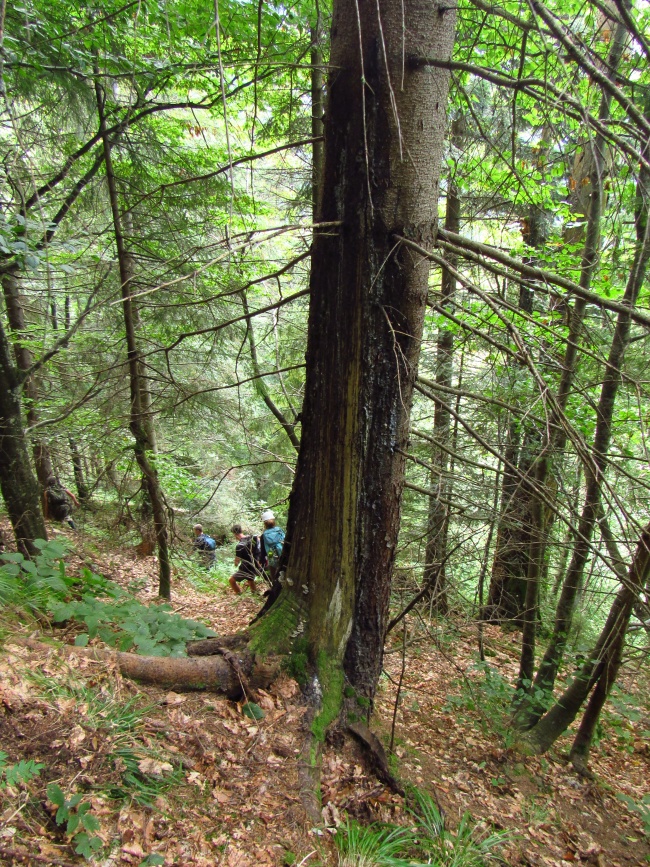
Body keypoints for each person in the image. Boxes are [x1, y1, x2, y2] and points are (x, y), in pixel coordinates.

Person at [229, 524, 262, 595]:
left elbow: (237, 562)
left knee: (231, 580)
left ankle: (239, 595)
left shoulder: (239, 546)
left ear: (234, 534)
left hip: (246, 567)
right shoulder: (253, 537)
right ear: (241, 530)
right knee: (250, 580)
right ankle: (255, 594)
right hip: (256, 564)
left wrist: (235, 563)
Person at [261, 509, 285, 580]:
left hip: (271, 555)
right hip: (283, 554)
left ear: (264, 523)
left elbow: (263, 551)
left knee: (274, 575)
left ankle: (275, 583)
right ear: (273, 521)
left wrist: (262, 561)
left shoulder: (263, 535)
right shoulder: (279, 530)